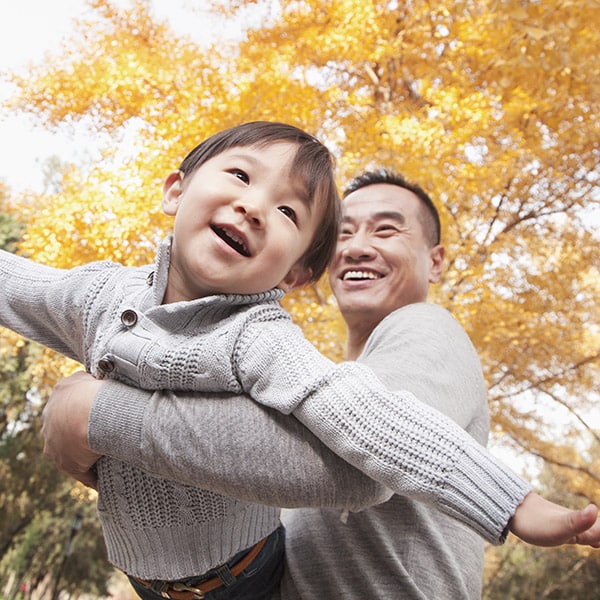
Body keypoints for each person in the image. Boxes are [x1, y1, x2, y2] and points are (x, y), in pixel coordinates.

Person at [40, 167, 600, 599]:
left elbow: (353, 468)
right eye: (344, 233)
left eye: (386, 229)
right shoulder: (306, 379)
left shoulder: (424, 327)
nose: (356, 246)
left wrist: (97, 414)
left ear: (436, 261)